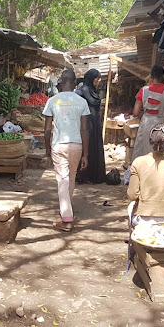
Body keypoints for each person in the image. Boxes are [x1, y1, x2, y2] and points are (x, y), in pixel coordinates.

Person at [43, 70, 90, 232]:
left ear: (61, 82)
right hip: (76, 145)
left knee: (62, 179)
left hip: (59, 145)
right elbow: (85, 130)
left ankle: (67, 218)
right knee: (70, 178)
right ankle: (66, 210)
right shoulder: (82, 102)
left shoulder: (52, 101)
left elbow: (47, 129)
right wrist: (86, 154)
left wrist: (47, 148)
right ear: (76, 82)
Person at [131, 65, 164, 162]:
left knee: (144, 155)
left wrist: (145, 115)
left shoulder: (144, 90)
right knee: (163, 156)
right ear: (163, 77)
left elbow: (135, 112)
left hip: (146, 124)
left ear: (151, 77)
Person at [76, 69, 107, 184]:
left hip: (96, 124)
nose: (99, 81)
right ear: (91, 79)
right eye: (97, 79)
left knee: (95, 147)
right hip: (86, 124)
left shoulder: (94, 91)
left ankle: (95, 175)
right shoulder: (82, 92)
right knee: (86, 148)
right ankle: (84, 175)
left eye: (99, 79)